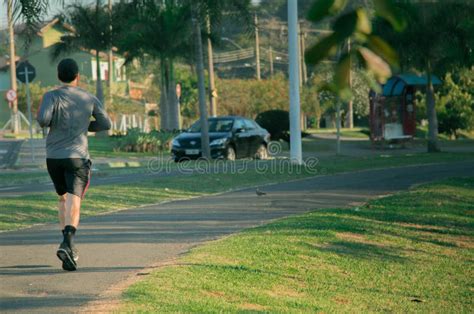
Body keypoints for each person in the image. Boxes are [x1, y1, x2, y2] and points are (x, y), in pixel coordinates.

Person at [37, 58, 111, 271]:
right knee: (74, 198)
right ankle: (68, 242)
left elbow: (43, 120)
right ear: (77, 76)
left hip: (54, 157)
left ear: (59, 76)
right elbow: (105, 123)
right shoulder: (89, 97)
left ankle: (67, 248)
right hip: (78, 157)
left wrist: (55, 121)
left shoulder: (51, 95)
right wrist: (84, 127)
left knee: (62, 198)